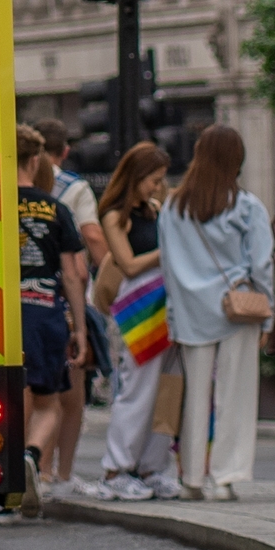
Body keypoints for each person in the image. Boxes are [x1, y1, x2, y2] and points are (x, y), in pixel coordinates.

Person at [159, 124, 275, 499]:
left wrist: (176, 315)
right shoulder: (245, 206)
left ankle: (191, 476)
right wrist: (268, 314)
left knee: (195, 395)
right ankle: (225, 476)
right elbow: (261, 266)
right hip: (236, 309)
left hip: (192, 311)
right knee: (235, 395)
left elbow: (169, 269)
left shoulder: (173, 208)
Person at [89, 142, 181, 499]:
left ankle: (151, 466)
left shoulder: (156, 210)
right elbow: (127, 264)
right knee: (138, 390)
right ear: (136, 176)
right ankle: (116, 469)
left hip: (164, 307)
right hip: (139, 310)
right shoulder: (115, 214)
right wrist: (169, 249)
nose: (157, 186)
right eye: (153, 179)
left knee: (167, 390)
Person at [13, 125, 87, 500]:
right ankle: (32, 455)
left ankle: (7, 462)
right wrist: (80, 331)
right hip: (44, 314)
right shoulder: (56, 209)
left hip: (2, 320)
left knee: (7, 396)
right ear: (36, 159)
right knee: (48, 403)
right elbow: (73, 275)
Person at [33, 119, 105, 474]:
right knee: (66, 395)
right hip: (53, 307)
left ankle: (32, 468)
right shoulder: (71, 194)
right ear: (64, 151)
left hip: (10, 309)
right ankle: (55, 472)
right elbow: (81, 258)